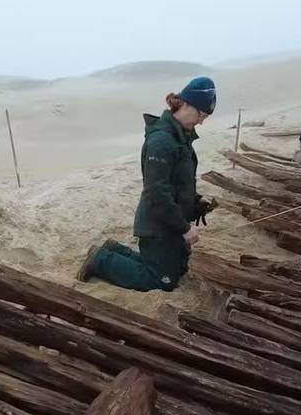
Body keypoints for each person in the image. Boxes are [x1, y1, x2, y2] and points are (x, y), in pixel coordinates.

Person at [76, 76, 217, 291]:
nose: (201, 121)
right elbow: (156, 193)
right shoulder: (162, 141)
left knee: (177, 271)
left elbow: (177, 183)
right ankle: (101, 260)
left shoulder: (181, 137)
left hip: (169, 221)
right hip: (158, 225)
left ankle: (114, 249)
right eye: (201, 114)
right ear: (186, 103)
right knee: (160, 281)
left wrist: (196, 201)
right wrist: (184, 228)